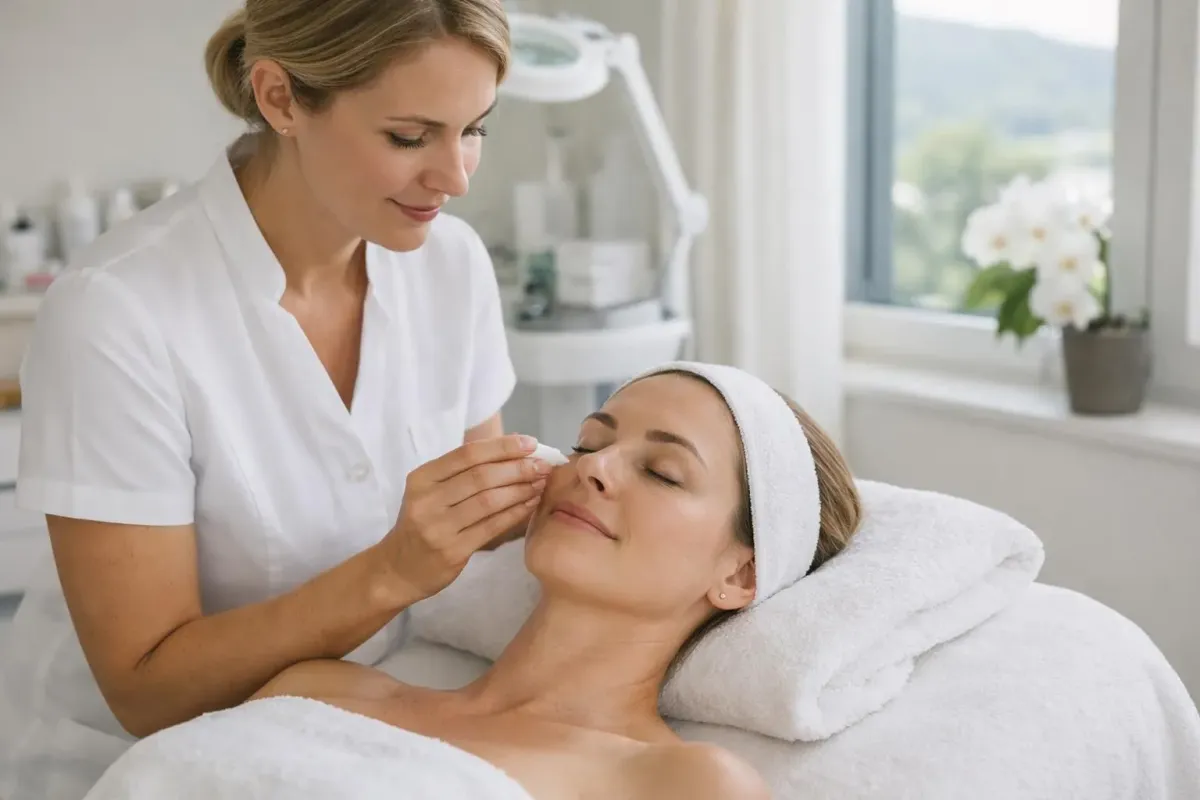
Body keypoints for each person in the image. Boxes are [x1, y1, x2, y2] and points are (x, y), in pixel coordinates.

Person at [0, 2, 546, 797]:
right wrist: (392, 571)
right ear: (280, 98)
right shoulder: (116, 309)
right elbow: (145, 689)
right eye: (408, 136)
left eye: (475, 129)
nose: (455, 177)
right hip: (137, 764)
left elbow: (482, 548)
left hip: (357, 733)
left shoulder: (451, 266)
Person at [91, 365, 862, 799]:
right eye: (587, 442)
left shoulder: (683, 784)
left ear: (742, 572)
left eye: (662, 472)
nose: (592, 467)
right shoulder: (321, 690)